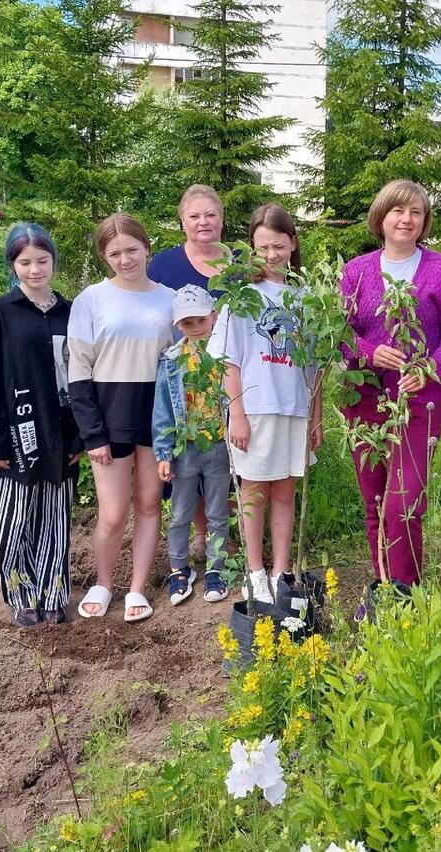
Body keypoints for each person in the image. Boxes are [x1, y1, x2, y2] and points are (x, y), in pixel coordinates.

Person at [341, 180, 441, 589]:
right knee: (376, 501)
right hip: (367, 402)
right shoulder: (356, 271)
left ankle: (406, 591)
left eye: (416, 212)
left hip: (420, 402)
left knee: (404, 503)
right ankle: (383, 585)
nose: (407, 219)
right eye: (398, 210)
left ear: (424, 221)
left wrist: (431, 366)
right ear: (381, 216)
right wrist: (367, 352)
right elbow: (341, 333)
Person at [207, 203, 323, 604]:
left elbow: (315, 366)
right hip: (254, 411)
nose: (271, 255)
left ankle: (281, 570)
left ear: (292, 243)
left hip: (295, 409)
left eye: (278, 245)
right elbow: (228, 360)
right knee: (254, 492)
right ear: (251, 250)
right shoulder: (242, 299)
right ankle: (255, 571)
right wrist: (236, 413)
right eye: (262, 247)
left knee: (285, 492)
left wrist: (317, 417)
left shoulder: (308, 298)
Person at [0, 223, 82, 627]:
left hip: (61, 434)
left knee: (54, 518)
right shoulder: (0, 313)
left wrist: (78, 436)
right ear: (12, 265)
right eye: (25, 262)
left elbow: (82, 377)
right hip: (15, 434)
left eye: (42, 260)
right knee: (14, 520)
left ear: (53, 261)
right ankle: (20, 594)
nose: (35, 270)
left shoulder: (72, 313)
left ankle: (53, 594)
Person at [68, 213, 175, 622]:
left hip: (156, 419)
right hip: (108, 420)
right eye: (115, 253)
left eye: (132, 249)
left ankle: (136, 588)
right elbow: (78, 371)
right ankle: (103, 582)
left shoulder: (169, 299)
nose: (126, 259)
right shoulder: (91, 300)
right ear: (103, 257)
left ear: (146, 247)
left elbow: (183, 365)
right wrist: (91, 433)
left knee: (149, 504)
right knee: (113, 514)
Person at [148, 184, 229, 560]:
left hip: (230, 376)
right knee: (189, 461)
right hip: (181, 375)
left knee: (224, 463)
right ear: (183, 222)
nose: (203, 222)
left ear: (222, 219)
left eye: (210, 214)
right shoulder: (164, 266)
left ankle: (226, 532)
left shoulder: (240, 263)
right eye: (194, 216)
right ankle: (201, 533)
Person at [152, 285, 231, 606]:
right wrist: (163, 453)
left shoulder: (226, 354)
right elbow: (162, 409)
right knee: (180, 513)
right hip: (185, 448)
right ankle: (178, 568)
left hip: (219, 445)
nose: (195, 328)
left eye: (200, 320)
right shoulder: (172, 360)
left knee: (217, 512)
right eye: (187, 323)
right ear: (177, 325)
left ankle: (217, 568)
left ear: (213, 317)